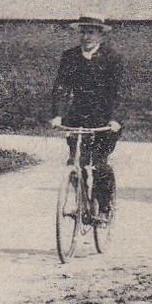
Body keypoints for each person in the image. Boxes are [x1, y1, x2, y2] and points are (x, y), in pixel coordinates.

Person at [50, 14, 124, 221]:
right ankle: (81, 202)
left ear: (101, 35)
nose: (86, 37)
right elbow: (60, 87)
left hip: (105, 121)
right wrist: (57, 114)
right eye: (83, 32)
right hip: (77, 117)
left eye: (91, 32)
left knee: (99, 164)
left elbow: (119, 92)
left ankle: (103, 206)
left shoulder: (113, 58)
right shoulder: (70, 57)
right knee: (75, 163)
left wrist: (115, 119)